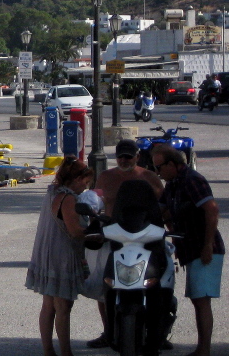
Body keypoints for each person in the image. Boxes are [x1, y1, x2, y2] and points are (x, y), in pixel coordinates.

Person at [84, 139, 165, 349]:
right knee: (107, 284)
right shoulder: (105, 177)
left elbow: (163, 206)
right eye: (120, 156)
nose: (123, 160)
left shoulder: (149, 177)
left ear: (137, 157)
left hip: (145, 238)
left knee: (161, 281)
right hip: (115, 237)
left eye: (128, 156)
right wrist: (93, 224)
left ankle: (159, 332)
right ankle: (109, 331)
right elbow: (96, 202)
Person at [151, 143, 224, 356]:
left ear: (173, 164)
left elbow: (212, 210)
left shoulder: (192, 180)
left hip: (203, 247)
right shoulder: (173, 184)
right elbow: (161, 211)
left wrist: (208, 246)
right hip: (189, 247)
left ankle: (204, 350)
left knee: (202, 299)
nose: (158, 172)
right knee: (196, 298)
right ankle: (202, 348)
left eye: (160, 167)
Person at [26, 156, 94, 356]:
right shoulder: (69, 198)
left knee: (48, 305)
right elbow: (75, 231)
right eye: (85, 181)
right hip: (62, 255)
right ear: (77, 179)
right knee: (63, 306)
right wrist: (94, 232)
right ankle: (66, 352)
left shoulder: (52, 192)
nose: (86, 187)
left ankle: (48, 350)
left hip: (46, 252)